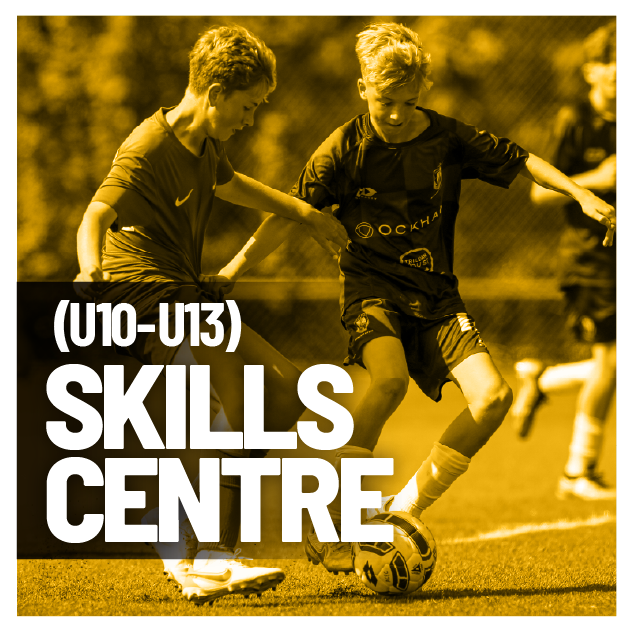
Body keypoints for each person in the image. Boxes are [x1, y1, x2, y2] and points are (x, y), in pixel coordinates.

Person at [217, 22, 616, 575]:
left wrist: (580, 192)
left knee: (493, 398)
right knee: (389, 381)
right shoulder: (343, 148)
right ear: (363, 89)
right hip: (372, 291)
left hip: (436, 296)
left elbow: (522, 159)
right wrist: (234, 268)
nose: (397, 114)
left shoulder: (446, 138)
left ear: (421, 92)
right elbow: (292, 214)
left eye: (408, 102)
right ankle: (336, 519)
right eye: (385, 102)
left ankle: (402, 509)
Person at [74, 24, 347, 604]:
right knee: (230, 406)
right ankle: (199, 554)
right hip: (141, 291)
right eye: (248, 106)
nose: (251, 119)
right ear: (217, 93)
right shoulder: (148, 145)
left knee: (285, 391)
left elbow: (232, 185)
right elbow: (95, 215)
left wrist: (304, 213)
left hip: (182, 288)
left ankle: (193, 541)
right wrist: (88, 271)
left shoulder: (206, 145)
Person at [511, 21, 616, 501]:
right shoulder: (574, 119)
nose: (616, 73)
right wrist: (598, 178)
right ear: (591, 70)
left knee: (612, 363)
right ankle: (578, 471)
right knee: (610, 360)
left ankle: (543, 380)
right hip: (590, 260)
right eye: (610, 64)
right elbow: (539, 193)